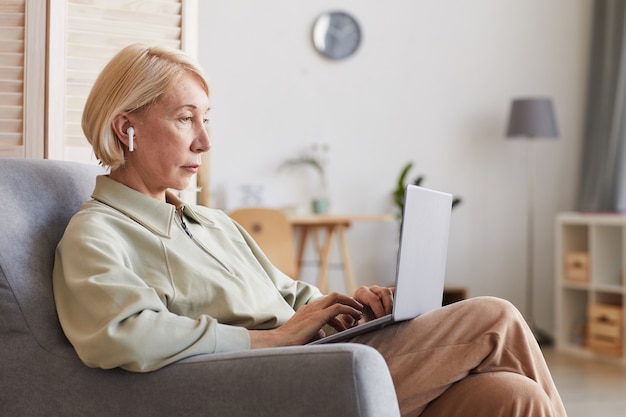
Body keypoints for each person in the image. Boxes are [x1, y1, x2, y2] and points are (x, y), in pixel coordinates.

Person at [52, 43, 567, 417]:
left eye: (207, 119)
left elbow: (296, 297)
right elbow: (124, 335)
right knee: (494, 318)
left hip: (325, 355)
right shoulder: (97, 234)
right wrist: (271, 340)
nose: (205, 142)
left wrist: (353, 311)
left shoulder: (210, 222)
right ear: (127, 128)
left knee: (513, 398)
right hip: (276, 382)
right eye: (187, 119)